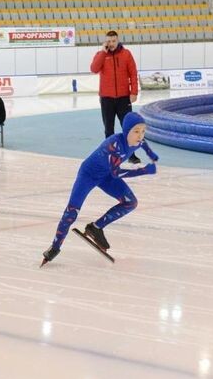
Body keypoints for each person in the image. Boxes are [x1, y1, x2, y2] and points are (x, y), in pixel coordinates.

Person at [41, 112, 158, 266]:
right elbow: (117, 173)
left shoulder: (137, 141)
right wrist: (144, 170)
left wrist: (152, 155)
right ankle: (54, 248)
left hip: (106, 175)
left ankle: (96, 228)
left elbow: (143, 144)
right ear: (126, 131)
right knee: (71, 213)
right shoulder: (114, 145)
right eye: (136, 131)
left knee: (131, 202)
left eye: (143, 131)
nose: (140, 135)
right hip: (88, 175)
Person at [91, 30, 141, 164]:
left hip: (123, 98)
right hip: (106, 98)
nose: (111, 43)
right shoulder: (101, 55)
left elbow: (133, 73)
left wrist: (134, 92)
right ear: (105, 42)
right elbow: (94, 69)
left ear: (117, 40)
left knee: (128, 127)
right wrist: (103, 53)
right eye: (109, 41)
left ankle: (131, 155)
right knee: (109, 129)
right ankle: (111, 155)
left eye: (113, 41)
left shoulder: (126, 54)